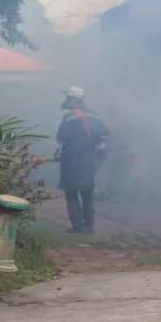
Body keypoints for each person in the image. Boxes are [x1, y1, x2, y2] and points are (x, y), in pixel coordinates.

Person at [56, 87, 108, 234]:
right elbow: (104, 137)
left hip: (71, 162)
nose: (66, 100)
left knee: (71, 193)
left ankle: (77, 226)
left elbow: (61, 139)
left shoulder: (69, 117)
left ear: (73, 99)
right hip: (89, 161)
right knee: (87, 193)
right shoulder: (96, 115)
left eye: (68, 98)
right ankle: (89, 226)